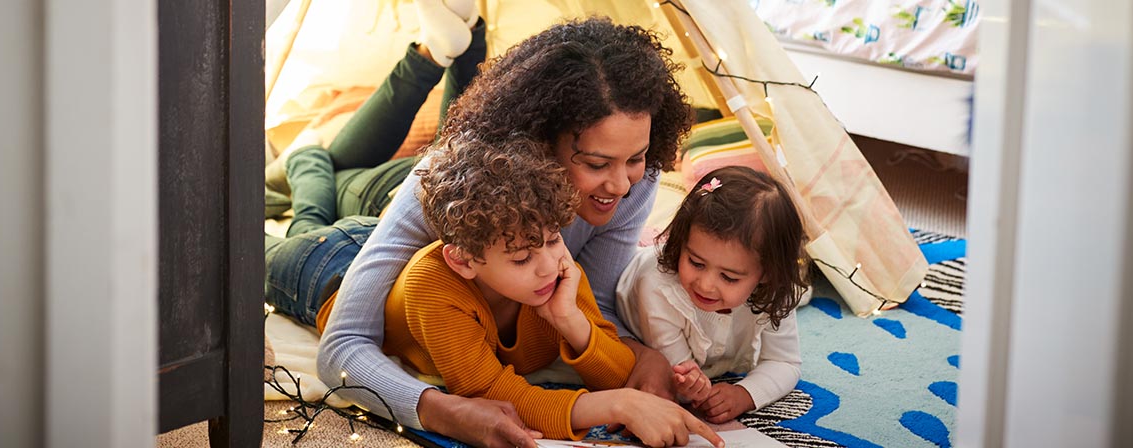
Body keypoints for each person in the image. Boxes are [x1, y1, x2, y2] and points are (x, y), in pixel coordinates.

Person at [314, 13, 698, 448]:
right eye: (596, 164)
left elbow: (594, 305)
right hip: (340, 250)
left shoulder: (633, 182)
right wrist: (443, 411)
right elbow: (341, 348)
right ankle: (309, 160)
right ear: (538, 142)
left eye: (636, 158)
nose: (622, 185)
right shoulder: (442, 182)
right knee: (321, 191)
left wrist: (640, 355)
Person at [353, 137, 720, 444]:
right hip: (330, 266)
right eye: (521, 258)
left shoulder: (558, 272)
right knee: (313, 214)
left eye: (553, 239)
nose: (549, 264)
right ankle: (311, 162)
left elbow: (619, 372)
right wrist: (617, 406)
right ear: (464, 261)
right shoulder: (434, 287)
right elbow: (491, 393)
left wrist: (570, 320)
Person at [615, 166, 810, 424]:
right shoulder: (657, 288)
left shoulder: (776, 290)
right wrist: (689, 384)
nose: (705, 285)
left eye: (729, 277)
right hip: (632, 279)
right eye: (696, 262)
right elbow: (677, 377)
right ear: (681, 243)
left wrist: (745, 394)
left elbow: (785, 362)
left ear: (767, 273)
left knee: (798, 291)